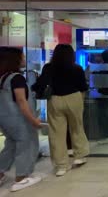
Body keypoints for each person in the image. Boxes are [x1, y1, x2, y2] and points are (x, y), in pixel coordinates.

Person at [32, 44, 89, 176]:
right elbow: (83, 87)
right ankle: (79, 155)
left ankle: (61, 166)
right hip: (74, 98)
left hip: (55, 99)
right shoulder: (77, 68)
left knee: (56, 133)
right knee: (77, 127)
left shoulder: (48, 68)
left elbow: (39, 84)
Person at [0, 47, 42, 192]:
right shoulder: (17, 78)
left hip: (5, 119)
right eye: (22, 57)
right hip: (19, 119)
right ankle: (21, 177)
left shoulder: (3, 77)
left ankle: (0, 173)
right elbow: (22, 102)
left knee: (10, 146)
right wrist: (33, 120)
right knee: (26, 144)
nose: (24, 59)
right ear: (15, 60)